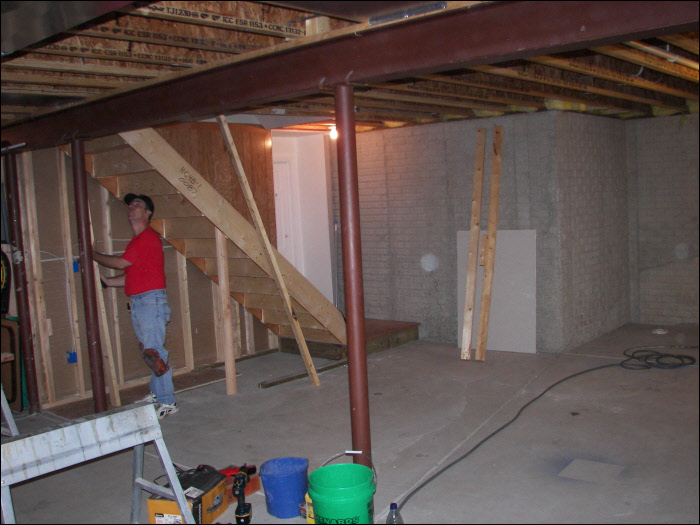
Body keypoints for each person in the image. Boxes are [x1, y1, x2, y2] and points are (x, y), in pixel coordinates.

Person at [92, 193, 177, 419]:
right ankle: (157, 394)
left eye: (137, 204)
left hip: (150, 301)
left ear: (148, 213)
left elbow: (120, 263)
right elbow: (128, 275)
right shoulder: (137, 242)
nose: (131, 207)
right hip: (140, 301)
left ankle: (167, 401)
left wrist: (93, 255)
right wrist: (108, 282)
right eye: (129, 205)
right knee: (149, 350)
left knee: (154, 352)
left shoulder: (147, 237)